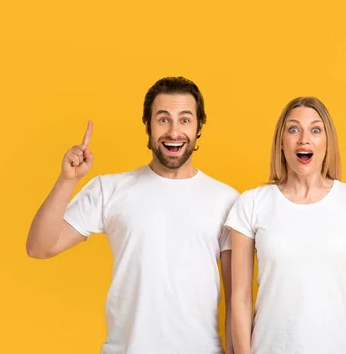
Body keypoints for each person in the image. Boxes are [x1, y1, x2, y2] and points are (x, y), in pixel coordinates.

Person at [26, 76, 238, 354]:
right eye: (163, 119)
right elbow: (39, 247)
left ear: (199, 128)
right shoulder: (110, 189)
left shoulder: (227, 200)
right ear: (148, 126)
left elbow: (237, 299)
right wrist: (67, 180)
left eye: (185, 120)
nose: (174, 131)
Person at [226, 96, 346, 354]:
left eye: (315, 129)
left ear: (327, 142)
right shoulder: (252, 203)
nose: (304, 139)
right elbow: (240, 299)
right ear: (281, 142)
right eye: (293, 129)